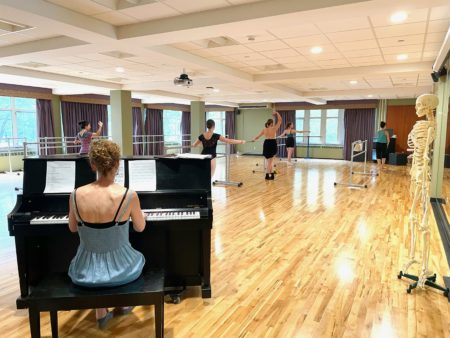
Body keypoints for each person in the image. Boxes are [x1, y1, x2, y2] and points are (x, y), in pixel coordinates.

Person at [68, 139, 146, 329]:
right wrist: (140, 214)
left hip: (84, 270)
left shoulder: (76, 194)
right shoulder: (128, 195)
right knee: (138, 257)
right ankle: (123, 302)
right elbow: (140, 228)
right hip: (122, 269)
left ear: (92, 164)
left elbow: (72, 228)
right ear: (118, 164)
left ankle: (100, 309)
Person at [252, 111, 282, 180]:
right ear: (271, 123)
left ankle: (271, 175)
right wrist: (277, 113)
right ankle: (267, 175)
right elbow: (280, 120)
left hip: (266, 143)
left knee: (269, 161)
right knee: (270, 162)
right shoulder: (274, 128)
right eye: (273, 123)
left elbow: (257, 136)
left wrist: (254, 139)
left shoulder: (264, 129)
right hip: (272, 143)